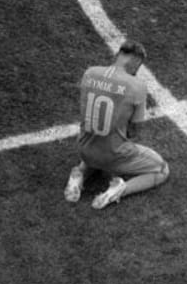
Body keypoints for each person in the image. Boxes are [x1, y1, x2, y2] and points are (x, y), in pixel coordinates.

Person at [63, 40, 169, 209]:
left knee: (98, 148)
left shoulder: (90, 73)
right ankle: (119, 190)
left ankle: (79, 174)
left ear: (118, 55)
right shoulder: (137, 85)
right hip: (113, 155)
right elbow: (134, 131)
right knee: (162, 168)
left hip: (84, 150)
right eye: (139, 66)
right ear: (135, 61)